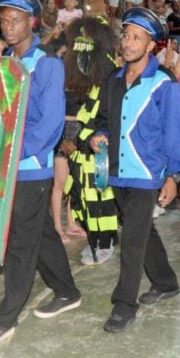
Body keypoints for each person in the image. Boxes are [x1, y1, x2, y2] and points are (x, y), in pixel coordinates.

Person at [0, 0, 81, 347]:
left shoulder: (46, 64)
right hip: (4, 164)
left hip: (31, 167)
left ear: (31, 22)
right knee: (41, 233)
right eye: (3, 20)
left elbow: (50, 125)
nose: (8, 26)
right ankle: (67, 291)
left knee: (19, 243)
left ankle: (6, 318)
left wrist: (11, 153)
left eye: (16, 20)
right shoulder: (4, 63)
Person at [89, 7, 180, 334]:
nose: (129, 42)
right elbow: (103, 120)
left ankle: (124, 305)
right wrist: (97, 135)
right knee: (142, 229)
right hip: (117, 170)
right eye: (126, 35)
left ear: (150, 45)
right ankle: (165, 281)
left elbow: (174, 132)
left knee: (131, 239)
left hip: (147, 173)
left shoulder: (164, 83)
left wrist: (173, 175)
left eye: (137, 38)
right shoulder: (113, 79)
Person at [61, 18, 119, 265]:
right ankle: (95, 239)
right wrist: (69, 137)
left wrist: (79, 138)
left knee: (99, 195)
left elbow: (102, 113)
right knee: (80, 196)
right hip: (78, 144)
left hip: (97, 145)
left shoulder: (108, 69)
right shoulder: (78, 65)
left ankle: (104, 242)